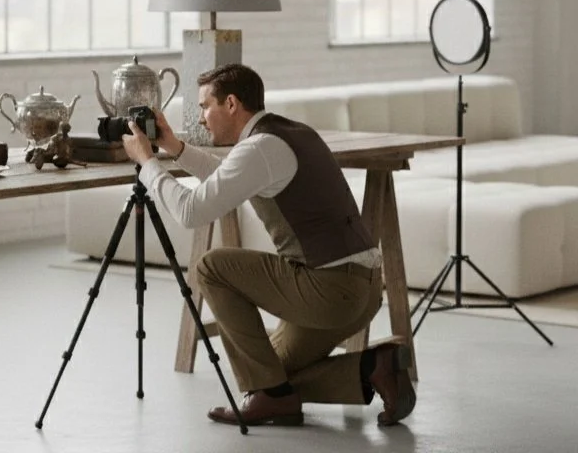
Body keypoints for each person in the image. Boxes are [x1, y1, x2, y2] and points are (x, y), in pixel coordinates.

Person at [121, 63, 415, 427]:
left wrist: (147, 162)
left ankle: (270, 398)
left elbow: (190, 211)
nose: (201, 117)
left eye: (204, 106)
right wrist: (175, 148)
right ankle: (376, 365)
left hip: (330, 289)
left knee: (211, 267)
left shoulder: (259, 149)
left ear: (231, 103)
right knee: (270, 369)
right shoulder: (286, 134)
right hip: (364, 290)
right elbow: (226, 176)